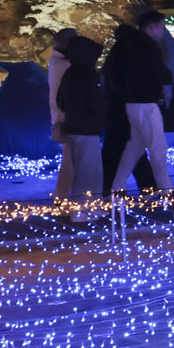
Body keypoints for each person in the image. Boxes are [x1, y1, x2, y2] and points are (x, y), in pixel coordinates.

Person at [104, 11, 174, 193]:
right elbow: (160, 73)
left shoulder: (123, 47)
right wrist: (166, 78)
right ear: (150, 27)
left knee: (134, 148)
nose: (162, 32)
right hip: (146, 103)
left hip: (131, 103)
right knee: (158, 148)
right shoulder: (148, 46)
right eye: (160, 27)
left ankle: (116, 187)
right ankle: (166, 190)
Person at [54, 34, 107, 215]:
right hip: (88, 128)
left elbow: (60, 101)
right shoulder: (88, 74)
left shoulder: (70, 73)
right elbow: (96, 103)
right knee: (89, 172)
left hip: (73, 127)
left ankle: (88, 208)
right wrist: (103, 119)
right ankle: (84, 211)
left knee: (82, 170)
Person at [47, 27, 79, 199]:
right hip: (67, 118)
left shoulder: (56, 62)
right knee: (70, 164)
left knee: (69, 162)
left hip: (62, 117)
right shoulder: (65, 65)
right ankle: (63, 202)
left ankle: (63, 201)